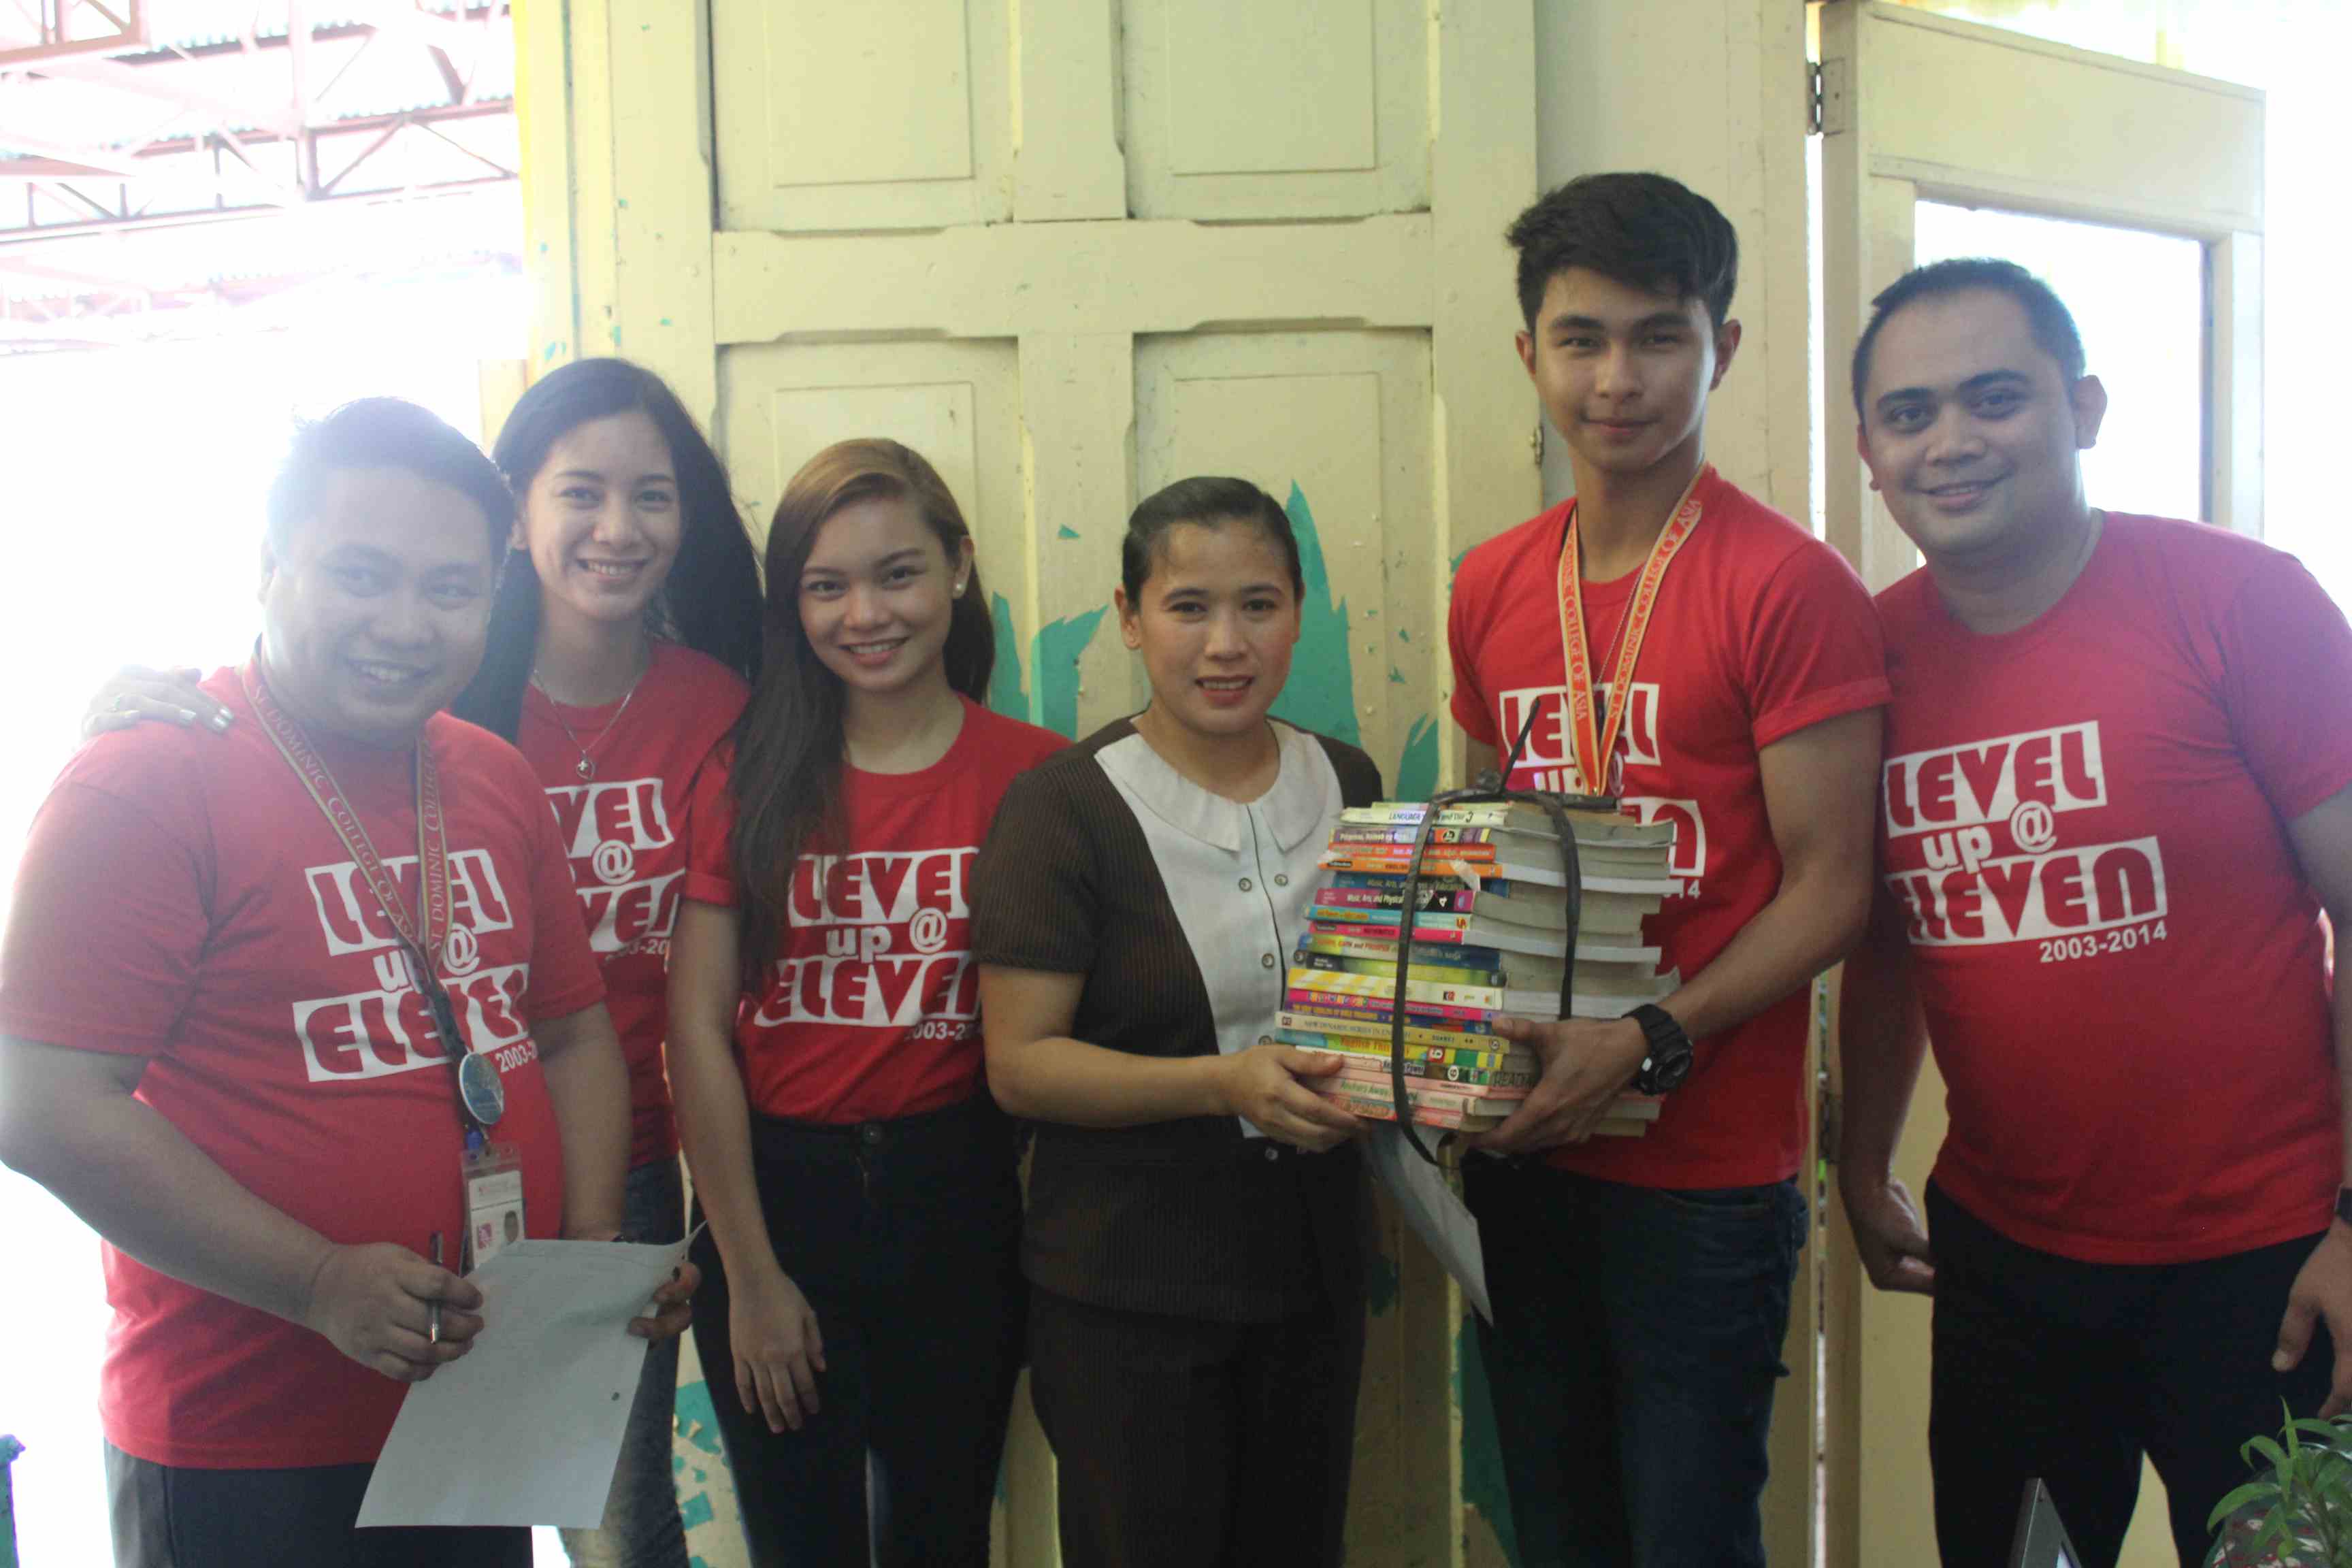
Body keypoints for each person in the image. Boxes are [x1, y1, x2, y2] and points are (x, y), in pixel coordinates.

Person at [80, 358, 762, 1568]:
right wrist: (124, 720)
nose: (617, 528)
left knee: (611, 1516)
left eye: (652, 495)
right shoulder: (432, 682)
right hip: (255, 1387)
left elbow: (582, 1023)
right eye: (581, 492)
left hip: (602, 1175)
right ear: (518, 525)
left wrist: (593, 1250)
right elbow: (288, 723)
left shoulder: (709, 703)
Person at [1837, 257, 2352, 1568]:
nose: (1952, 441)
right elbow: (1886, 942)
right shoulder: (1860, 659)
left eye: (1995, 397)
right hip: (2008, 1265)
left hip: (2272, 1261)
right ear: (1871, 454)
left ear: (2084, 408)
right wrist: (1860, 1160)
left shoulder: (2242, 601)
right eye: (1909, 415)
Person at [1445, 172, 1887, 1566]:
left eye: (1659, 337)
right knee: (1558, 1527)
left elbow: (1834, 887)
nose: (1617, 380)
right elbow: (1485, 844)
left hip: (1704, 1166)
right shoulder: (1491, 584)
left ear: (1723, 348)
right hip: (1525, 1139)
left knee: (1689, 1533)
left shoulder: (1787, 584)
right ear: (1530, 353)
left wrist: (1643, 1039)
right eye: (1581, 340)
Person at [666, 438, 1062, 1566]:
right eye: (826, 586)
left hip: (959, 1198)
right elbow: (694, 1029)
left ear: (959, 568)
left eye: (898, 574)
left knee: (943, 1541)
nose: (866, 615)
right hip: (777, 1200)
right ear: (792, 606)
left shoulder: (1038, 777)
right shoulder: (745, 771)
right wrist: (751, 1278)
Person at [973, 476, 1381, 1568]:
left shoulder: (1349, 783)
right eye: (1188, 607)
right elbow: (1020, 1066)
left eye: (1259, 605)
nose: (1226, 644)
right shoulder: (1062, 807)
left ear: (1298, 611)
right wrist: (1221, 1082)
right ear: (1129, 616)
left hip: (1313, 1274)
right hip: (1126, 1293)